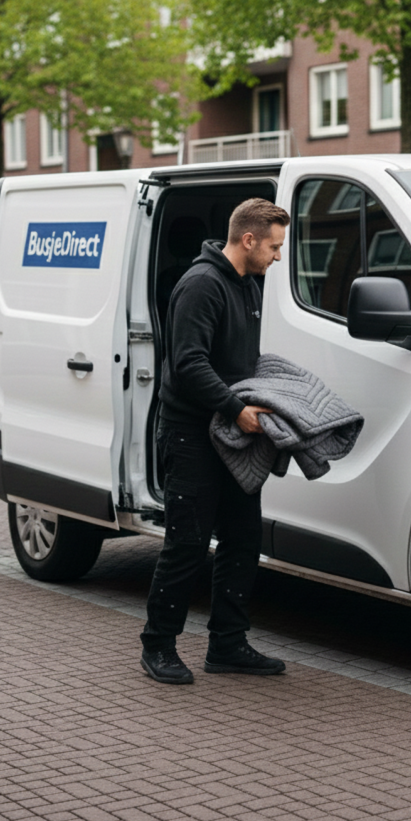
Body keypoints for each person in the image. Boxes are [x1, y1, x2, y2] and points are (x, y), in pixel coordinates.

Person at [140, 197, 291, 685]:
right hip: (191, 434)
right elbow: (188, 364)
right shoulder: (201, 285)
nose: (278, 256)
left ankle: (227, 644)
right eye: (274, 246)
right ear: (248, 240)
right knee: (186, 543)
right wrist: (235, 408)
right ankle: (158, 646)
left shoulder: (247, 284)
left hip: (229, 435)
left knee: (243, 540)